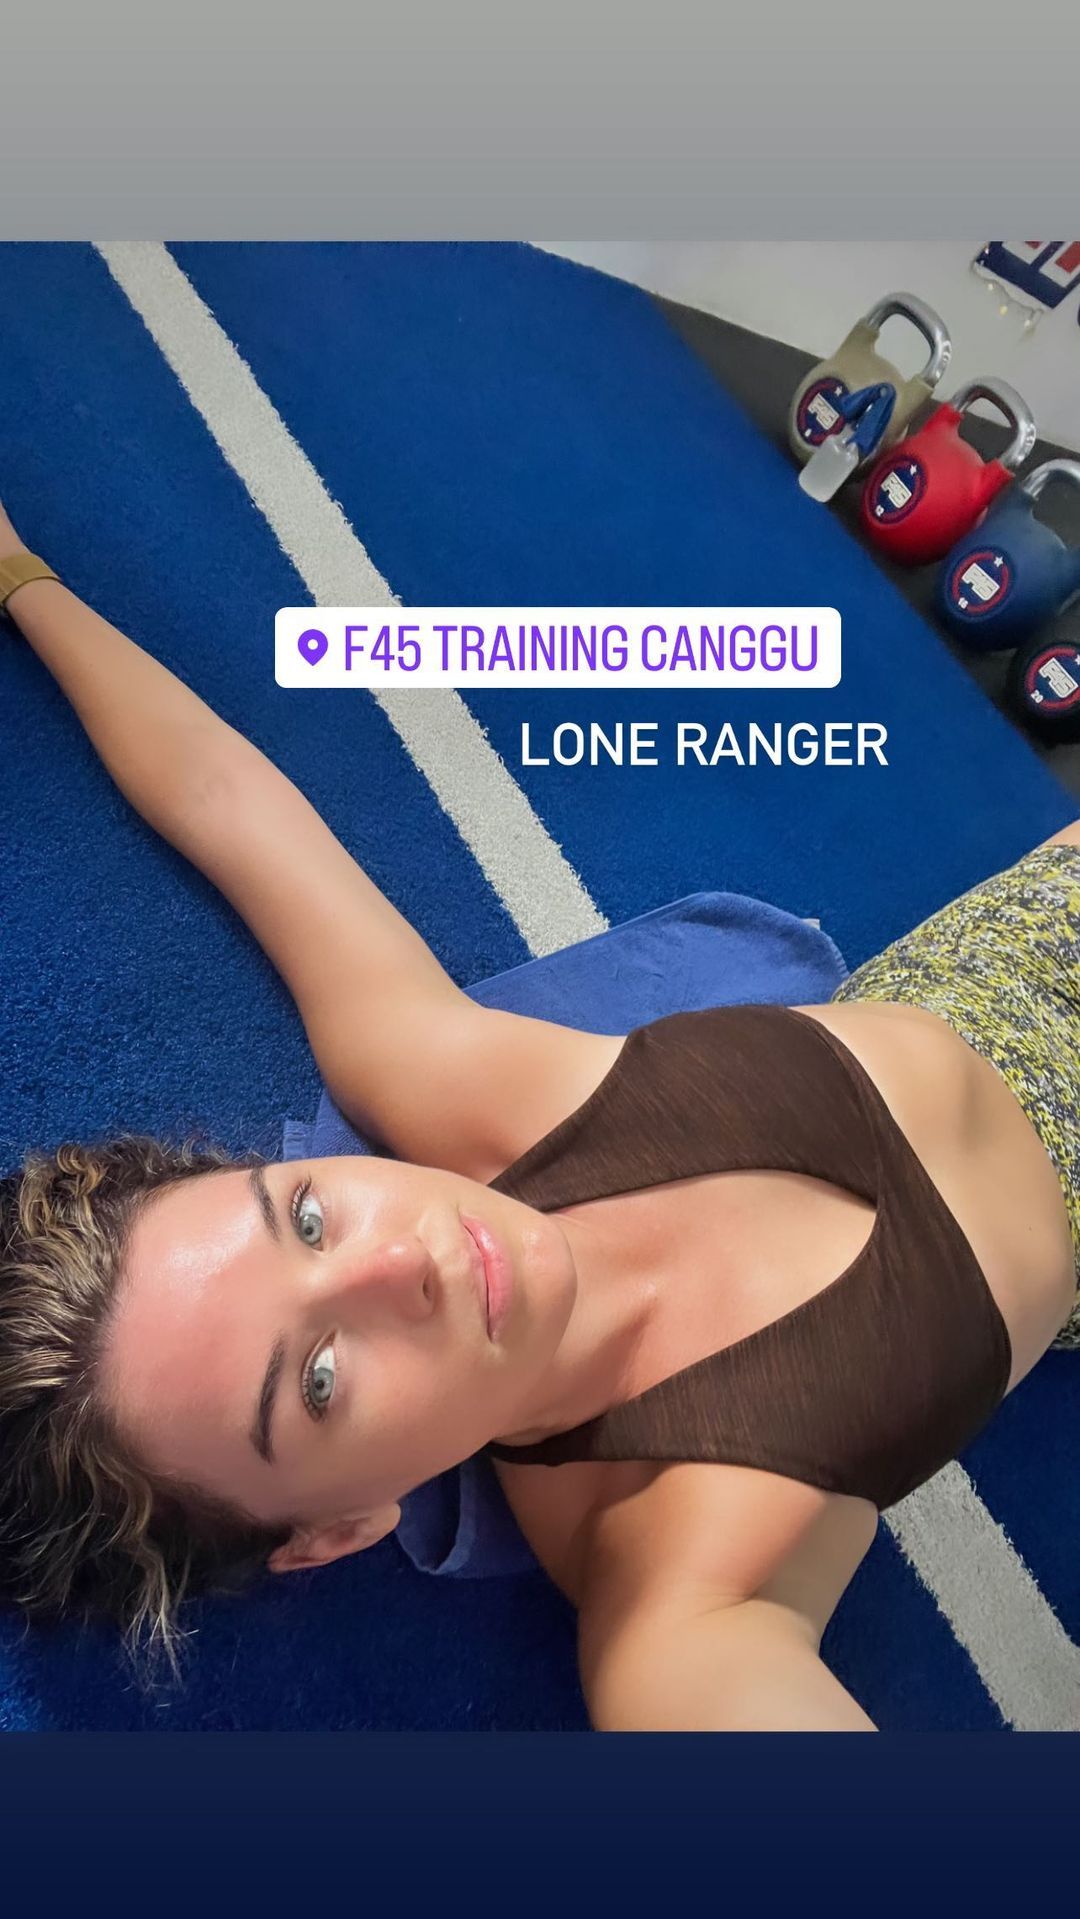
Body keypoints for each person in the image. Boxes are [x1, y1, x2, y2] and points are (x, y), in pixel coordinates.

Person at [1, 506, 1078, 1734]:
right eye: (319, 1378)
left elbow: (223, 798)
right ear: (335, 1530)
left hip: (1010, 940)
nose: (401, 1261)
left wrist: (19, 574)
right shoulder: (681, 1603)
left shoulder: (448, 1081)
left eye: (303, 1216)